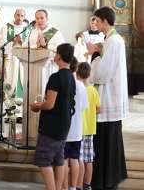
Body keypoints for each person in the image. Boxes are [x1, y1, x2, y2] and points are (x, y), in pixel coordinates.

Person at [87, 6, 129, 190]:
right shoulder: (110, 40)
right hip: (107, 97)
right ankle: (106, 179)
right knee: (106, 140)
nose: (95, 23)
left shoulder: (113, 41)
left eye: (97, 20)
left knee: (106, 141)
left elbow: (103, 74)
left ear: (105, 20)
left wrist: (95, 56)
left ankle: (106, 180)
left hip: (108, 98)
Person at [31, 43, 76, 190]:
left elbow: (50, 104)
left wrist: (37, 106)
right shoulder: (71, 77)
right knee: (58, 159)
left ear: (59, 56)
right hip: (64, 125)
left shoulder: (56, 77)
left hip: (52, 126)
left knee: (43, 160)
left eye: (56, 53)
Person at [24, 9, 65, 95]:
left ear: (47, 19)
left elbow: (60, 49)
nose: (39, 20)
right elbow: (25, 46)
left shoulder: (55, 33)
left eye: (42, 18)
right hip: (32, 67)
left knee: (45, 91)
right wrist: (36, 46)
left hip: (49, 67)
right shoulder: (33, 32)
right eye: (37, 18)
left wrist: (44, 46)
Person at [63, 57, 88, 190]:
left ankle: (65, 187)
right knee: (75, 159)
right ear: (76, 68)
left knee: (65, 160)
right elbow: (84, 107)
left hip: (65, 130)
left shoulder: (64, 83)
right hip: (77, 129)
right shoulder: (81, 86)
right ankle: (74, 187)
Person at [76, 62, 101, 190]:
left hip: (79, 129)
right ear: (89, 74)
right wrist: (91, 112)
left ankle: (78, 185)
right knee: (88, 159)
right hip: (90, 129)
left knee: (79, 158)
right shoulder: (93, 91)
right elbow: (99, 109)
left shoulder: (77, 90)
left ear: (77, 73)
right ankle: (87, 185)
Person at [0, 8, 28, 98]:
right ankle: (8, 101)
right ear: (14, 15)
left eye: (22, 16)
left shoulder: (27, 28)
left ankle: (21, 101)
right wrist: (13, 42)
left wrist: (21, 42)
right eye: (18, 15)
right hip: (10, 59)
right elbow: (1, 44)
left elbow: (31, 44)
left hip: (23, 59)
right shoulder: (6, 27)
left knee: (23, 77)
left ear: (24, 17)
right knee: (10, 77)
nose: (19, 18)